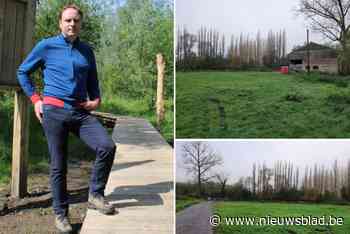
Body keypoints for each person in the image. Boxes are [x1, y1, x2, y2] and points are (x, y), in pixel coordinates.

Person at [17, 4, 116, 233]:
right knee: (58, 165)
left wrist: (96, 100)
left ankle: (96, 194)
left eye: (76, 21)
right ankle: (61, 214)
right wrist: (36, 99)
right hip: (54, 111)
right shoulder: (46, 46)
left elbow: (93, 81)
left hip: (81, 112)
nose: (72, 24)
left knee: (106, 146)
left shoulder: (86, 51)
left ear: (80, 24)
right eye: (68, 20)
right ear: (60, 23)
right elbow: (23, 72)